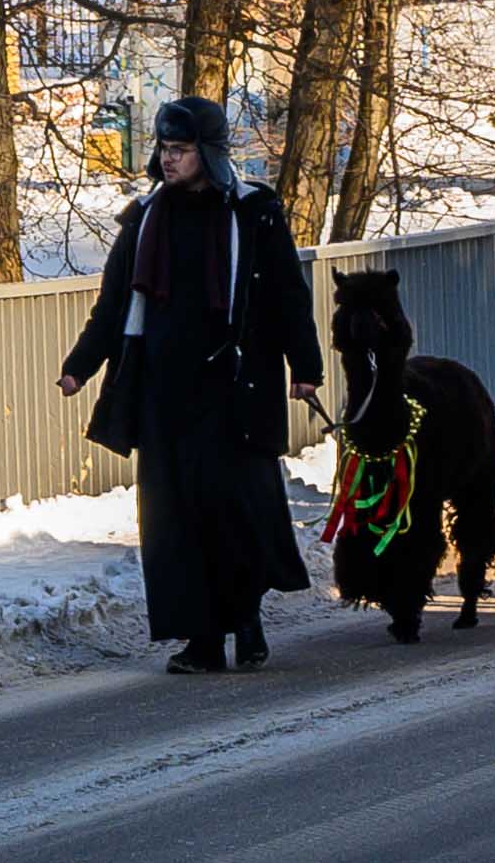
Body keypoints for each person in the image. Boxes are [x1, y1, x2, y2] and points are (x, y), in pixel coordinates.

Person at [64, 93, 325, 672]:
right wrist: (80, 365)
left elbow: (288, 295)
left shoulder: (252, 213)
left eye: (180, 149)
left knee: (236, 512)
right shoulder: (144, 219)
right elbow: (113, 304)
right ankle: (202, 640)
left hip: (234, 389)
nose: (168, 159)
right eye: (164, 148)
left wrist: (306, 368)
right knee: (175, 524)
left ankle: (246, 619)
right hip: (164, 395)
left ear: (208, 152)